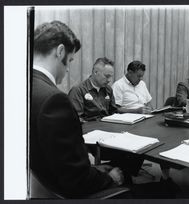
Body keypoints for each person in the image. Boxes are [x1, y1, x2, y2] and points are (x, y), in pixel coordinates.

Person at [30, 21, 124, 199]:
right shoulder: (54, 100)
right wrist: (109, 178)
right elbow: (77, 179)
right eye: (70, 61)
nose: (67, 69)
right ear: (60, 52)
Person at [68, 57, 117, 121]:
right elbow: (76, 118)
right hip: (88, 128)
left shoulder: (108, 89)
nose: (109, 80)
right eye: (107, 76)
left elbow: (113, 112)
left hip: (107, 126)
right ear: (95, 72)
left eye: (111, 77)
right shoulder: (78, 90)